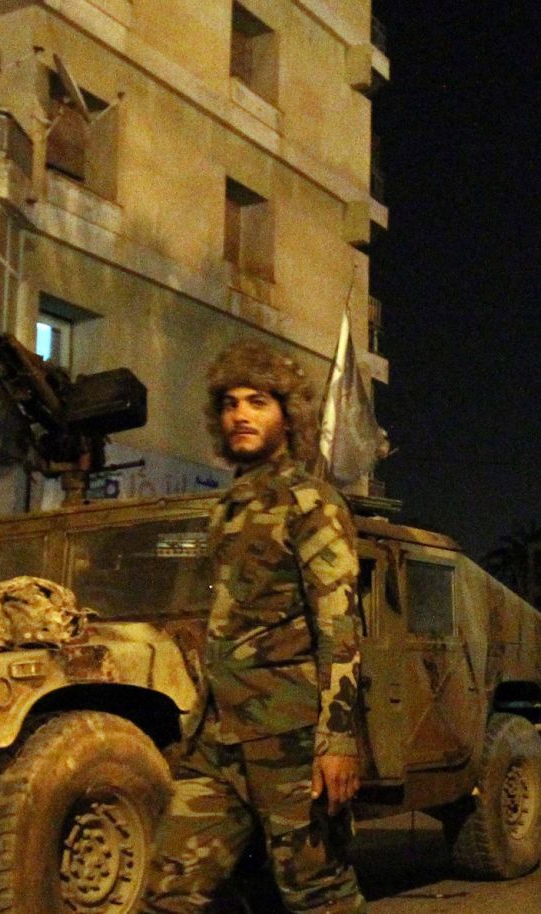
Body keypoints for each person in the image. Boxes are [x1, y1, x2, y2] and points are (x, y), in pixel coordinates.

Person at [143, 340, 366, 914]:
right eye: (231, 404)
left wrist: (336, 738)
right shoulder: (228, 508)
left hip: (288, 736)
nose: (241, 414)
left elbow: (339, 623)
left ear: (287, 415)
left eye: (258, 402)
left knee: (318, 890)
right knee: (170, 886)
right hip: (216, 736)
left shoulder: (311, 502)